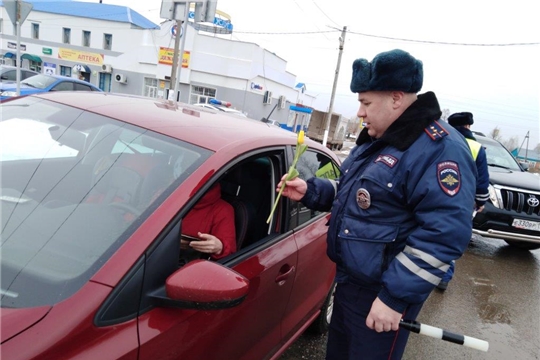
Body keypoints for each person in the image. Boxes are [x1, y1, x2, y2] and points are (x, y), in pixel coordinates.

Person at [277, 49, 477, 359]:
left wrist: (394, 299)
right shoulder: (380, 139)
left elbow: (444, 234)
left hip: (383, 293)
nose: (359, 112)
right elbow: (358, 194)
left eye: (366, 103)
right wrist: (310, 191)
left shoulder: (439, 148)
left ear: (396, 98)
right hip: (350, 281)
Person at [438, 112, 490, 291]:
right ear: (468, 126)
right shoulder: (476, 147)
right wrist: (481, 201)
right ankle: (443, 278)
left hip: (436, 196)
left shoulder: (440, 140)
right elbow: (482, 180)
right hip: (464, 202)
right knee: (451, 238)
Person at [180, 183, 236, 262]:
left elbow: (229, 253)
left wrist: (219, 247)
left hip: (189, 264)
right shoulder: (175, 198)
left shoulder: (223, 209)